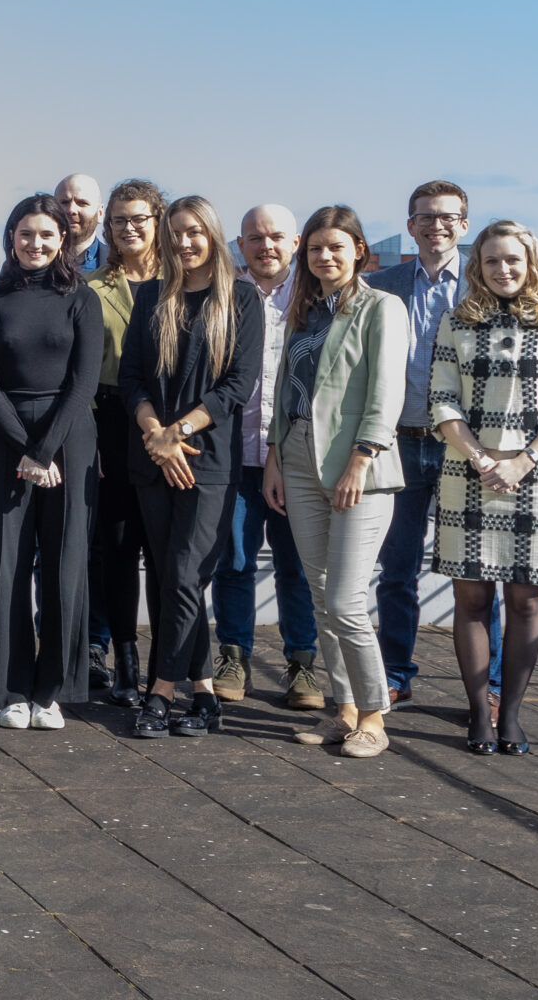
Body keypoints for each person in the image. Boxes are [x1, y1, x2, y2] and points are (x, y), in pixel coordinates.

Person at [429, 221, 538, 756]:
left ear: (532, 261)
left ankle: (511, 713)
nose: (503, 269)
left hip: (536, 477)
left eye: (513, 260)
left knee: (525, 602)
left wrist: (523, 461)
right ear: (479, 266)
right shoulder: (457, 322)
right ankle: (479, 713)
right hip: (466, 474)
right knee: (471, 597)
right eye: (492, 261)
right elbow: (443, 400)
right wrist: (479, 459)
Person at [262, 206, 408, 760]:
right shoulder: (306, 311)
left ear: (359, 251)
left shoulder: (381, 308)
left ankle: (374, 716)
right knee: (322, 599)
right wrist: (276, 456)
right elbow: (287, 391)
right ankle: (343, 711)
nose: (325, 257)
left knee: (347, 601)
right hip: (298, 456)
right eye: (316, 249)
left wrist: (362, 459)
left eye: (336, 247)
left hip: (357, 465)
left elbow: (386, 391)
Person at [121, 196, 263, 740]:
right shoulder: (151, 296)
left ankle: (160, 691)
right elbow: (132, 376)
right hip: (152, 456)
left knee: (184, 576)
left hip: (207, 461)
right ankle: (204, 696)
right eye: (175, 232)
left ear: (213, 235)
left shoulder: (242, 299)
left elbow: (236, 387)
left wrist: (177, 433)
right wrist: (155, 434)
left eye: (194, 232)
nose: (184, 241)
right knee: (169, 581)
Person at [0, 193, 104, 730]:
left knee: (65, 566)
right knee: (7, 567)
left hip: (69, 439)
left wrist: (45, 450)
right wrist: (24, 449)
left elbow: (84, 381)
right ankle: (12, 689)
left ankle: (50, 691)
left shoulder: (81, 299)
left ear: (63, 240)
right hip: (5, 438)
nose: (36, 244)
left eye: (47, 235)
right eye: (26, 234)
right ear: (11, 238)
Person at [213, 205, 324, 710]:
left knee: (296, 565)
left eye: (276, 236)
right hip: (234, 451)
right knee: (233, 561)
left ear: (296, 241)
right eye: (255, 237)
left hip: (298, 455)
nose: (266, 246)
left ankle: (302, 665)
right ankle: (233, 656)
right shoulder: (224, 293)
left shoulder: (317, 294)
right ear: (240, 243)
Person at [366, 180, 471, 710]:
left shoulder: (487, 282)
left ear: (464, 225)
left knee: (476, 573)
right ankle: (396, 675)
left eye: (448, 217)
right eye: (425, 217)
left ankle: (489, 687)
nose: (437, 225)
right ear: (410, 226)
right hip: (400, 444)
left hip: (466, 450)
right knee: (397, 570)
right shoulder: (381, 284)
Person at [85, 179, 165, 707]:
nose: (129, 228)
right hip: (112, 421)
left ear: (157, 221)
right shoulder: (91, 288)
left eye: (139, 218)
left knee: (163, 551)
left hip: (169, 428)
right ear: (105, 227)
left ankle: (167, 668)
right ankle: (124, 662)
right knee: (116, 549)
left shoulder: (183, 284)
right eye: (118, 220)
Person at [56, 174, 107, 273]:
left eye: (82, 203)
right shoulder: (35, 262)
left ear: (100, 213)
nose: (71, 210)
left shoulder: (122, 264)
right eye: (64, 202)